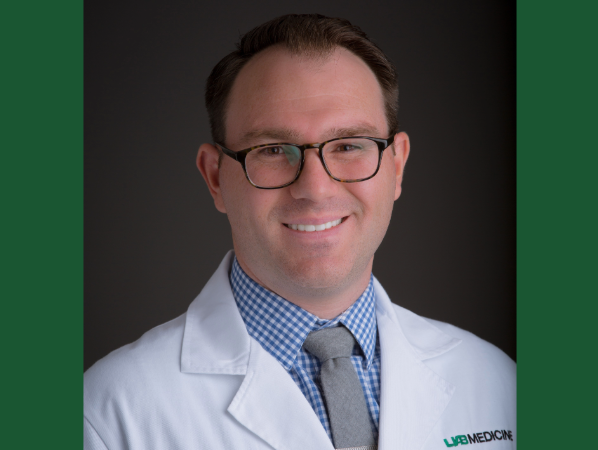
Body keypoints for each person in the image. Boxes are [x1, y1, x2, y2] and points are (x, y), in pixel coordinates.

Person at [84, 14, 516, 450]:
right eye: (272, 149)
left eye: (349, 145)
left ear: (397, 165)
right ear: (215, 177)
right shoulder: (107, 414)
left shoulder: (495, 382)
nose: (315, 188)